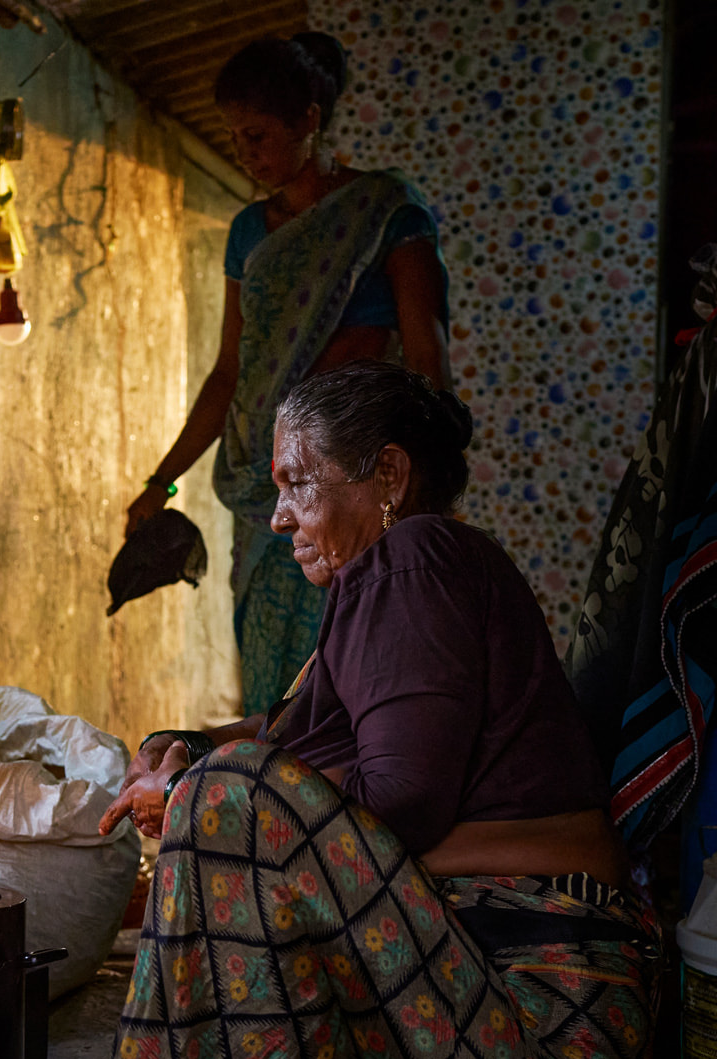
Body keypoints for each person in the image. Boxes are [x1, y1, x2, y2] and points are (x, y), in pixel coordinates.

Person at [61, 361, 658, 1059]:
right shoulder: (384, 589)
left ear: (388, 475)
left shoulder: (412, 560)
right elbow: (283, 734)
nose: (279, 516)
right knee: (230, 780)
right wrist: (181, 741)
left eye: (298, 483)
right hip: (495, 1044)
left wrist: (192, 791)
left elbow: (400, 803)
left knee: (231, 801)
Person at [124, 34, 451, 716]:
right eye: (235, 139)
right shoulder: (250, 233)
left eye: (258, 135)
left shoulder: (385, 210)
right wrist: (162, 479)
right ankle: (275, 807)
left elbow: (426, 359)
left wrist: (424, 495)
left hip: (351, 478)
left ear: (309, 119)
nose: (247, 156)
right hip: (263, 480)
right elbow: (229, 375)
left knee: (354, 669)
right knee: (273, 676)